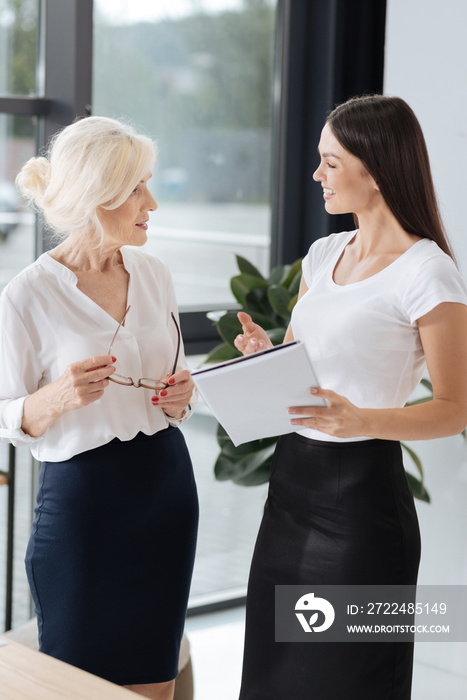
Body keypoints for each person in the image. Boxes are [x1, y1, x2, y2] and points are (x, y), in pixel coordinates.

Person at [234, 95, 467, 699]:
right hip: (291, 492)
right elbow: (299, 368)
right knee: (272, 672)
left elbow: (454, 409)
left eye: (330, 163)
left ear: (376, 168)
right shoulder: (325, 254)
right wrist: (265, 360)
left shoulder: (428, 273)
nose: (317, 176)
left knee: (345, 679)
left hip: (361, 506)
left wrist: (362, 419)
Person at [0, 116, 199, 700]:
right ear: (97, 196)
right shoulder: (27, 294)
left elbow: (177, 383)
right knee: (76, 685)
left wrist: (182, 396)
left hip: (165, 491)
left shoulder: (155, 274)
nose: (152, 203)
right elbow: (8, 415)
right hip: (85, 506)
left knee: (154, 684)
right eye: (138, 188)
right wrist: (57, 397)